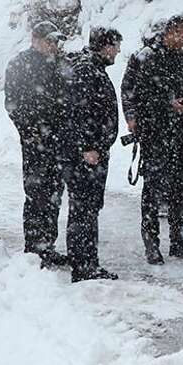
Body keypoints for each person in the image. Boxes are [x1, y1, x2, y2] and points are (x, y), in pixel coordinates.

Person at [122, 14, 183, 265]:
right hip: (155, 133)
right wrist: (165, 106)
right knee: (153, 192)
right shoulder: (145, 58)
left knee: (181, 190)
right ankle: (151, 243)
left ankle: (178, 241)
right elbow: (131, 93)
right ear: (170, 33)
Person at [59, 26, 123, 282]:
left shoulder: (91, 67)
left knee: (86, 207)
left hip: (89, 152)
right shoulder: (86, 70)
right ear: (105, 46)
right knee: (84, 207)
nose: (118, 51)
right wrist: (88, 147)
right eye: (115, 46)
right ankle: (84, 265)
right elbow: (79, 111)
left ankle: (85, 261)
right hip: (85, 155)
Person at [4, 19, 69, 267]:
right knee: (36, 193)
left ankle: (48, 244)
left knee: (54, 193)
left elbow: (68, 97)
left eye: (55, 41)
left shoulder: (61, 63)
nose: (53, 45)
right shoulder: (19, 64)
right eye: (49, 41)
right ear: (36, 39)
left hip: (58, 139)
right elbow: (12, 102)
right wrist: (27, 130)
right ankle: (34, 249)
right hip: (34, 141)